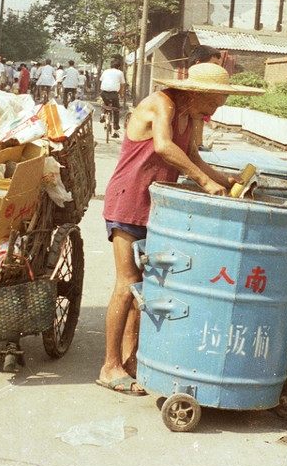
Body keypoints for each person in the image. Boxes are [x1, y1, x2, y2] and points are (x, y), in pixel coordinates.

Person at [98, 62, 263, 395]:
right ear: (196, 92)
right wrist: (203, 181)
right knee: (127, 282)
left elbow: (192, 156)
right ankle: (109, 365)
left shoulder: (191, 117)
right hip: (129, 199)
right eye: (214, 102)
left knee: (145, 287)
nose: (217, 108)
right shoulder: (163, 103)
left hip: (158, 205)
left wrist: (222, 179)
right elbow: (163, 146)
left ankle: (132, 361)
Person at [99, 56, 127, 138]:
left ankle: (102, 114)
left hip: (104, 92)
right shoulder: (120, 73)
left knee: (105, 103)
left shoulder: (105, 71)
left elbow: (101, 81)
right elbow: (122, 85)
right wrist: (121, 94)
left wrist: (101, 92)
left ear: (111, 66)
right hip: (114, 94)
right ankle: (115, 131)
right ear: (119, 67)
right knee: (116, 110)